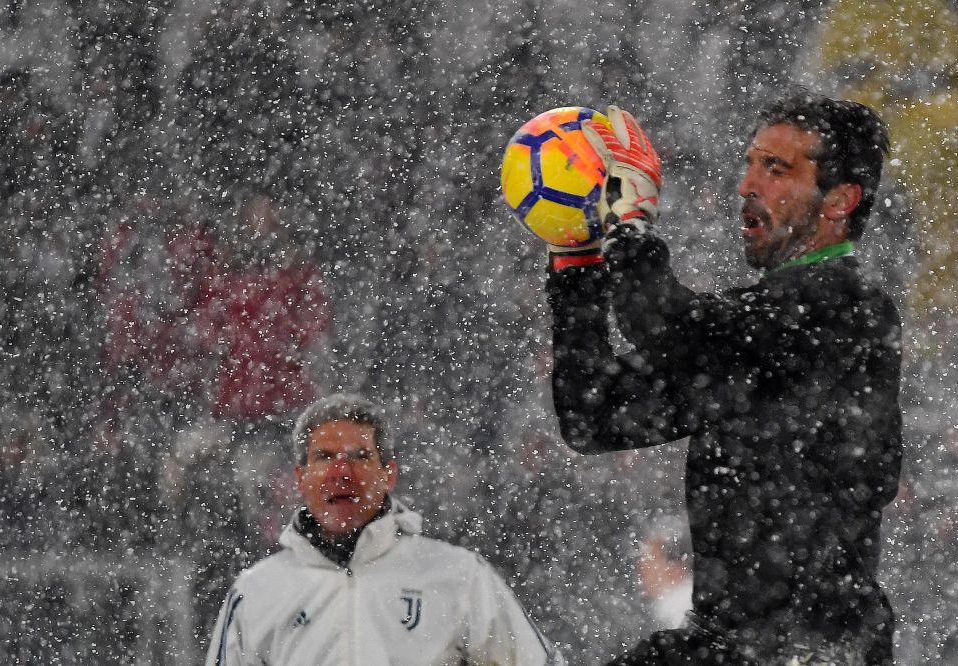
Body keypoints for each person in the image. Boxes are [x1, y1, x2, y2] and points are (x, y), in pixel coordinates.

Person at [544, 93, 903, 664]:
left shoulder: (847, 307)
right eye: (750, 163)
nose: (746, 185)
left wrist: (630, 226)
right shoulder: (760, 331)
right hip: (731, 643)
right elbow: (594, 414)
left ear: (840, 200)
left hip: (812, 649)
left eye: (775, 168)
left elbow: (665, 323)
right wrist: (576, 263)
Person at [206, 393, 563, 666]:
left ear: (389, 474)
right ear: (300, 478)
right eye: (325, 457)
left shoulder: (459, 575)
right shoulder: (256, 591)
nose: (341, 472)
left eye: (359, 456)